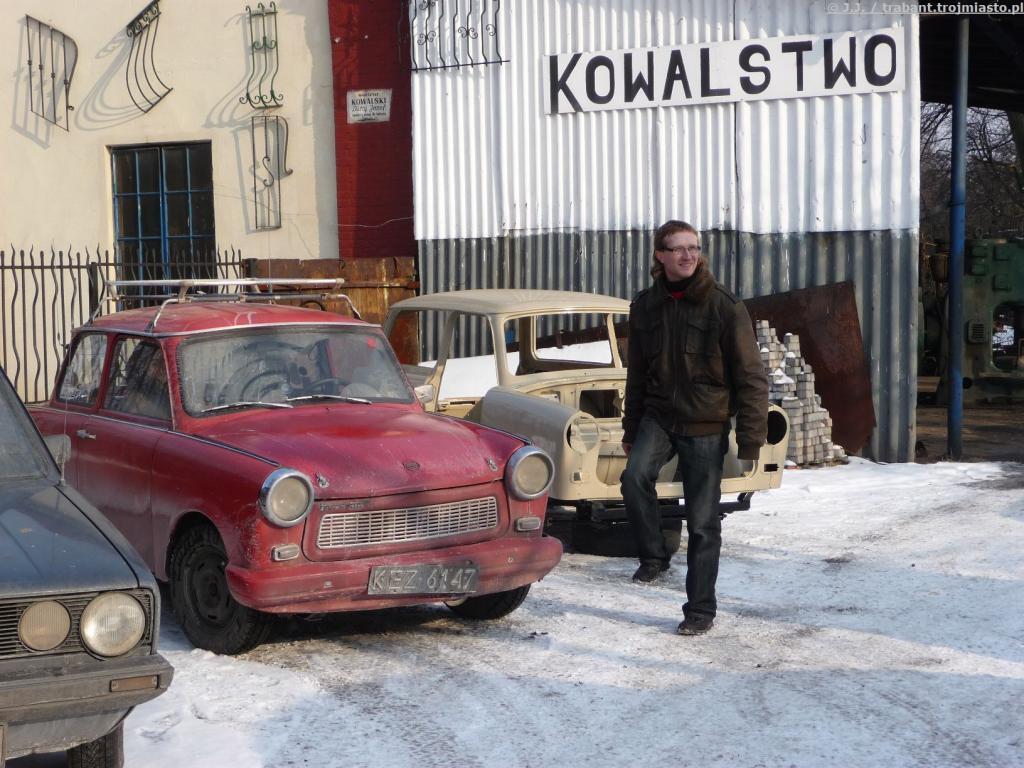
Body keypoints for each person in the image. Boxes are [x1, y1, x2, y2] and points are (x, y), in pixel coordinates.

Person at [621, 219, 768, 636]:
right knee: (633, 478)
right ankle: (654, 556)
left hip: (705, 423)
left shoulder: (723, 306)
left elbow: (751, 376)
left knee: (703, 521)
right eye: (679, 248)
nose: (688, 255)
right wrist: (631, 429)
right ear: (660, 255)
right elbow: (637, 375)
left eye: (694, 248)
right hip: (659, 417)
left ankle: (700, 609)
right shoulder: (646, 306)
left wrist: (751, 439)